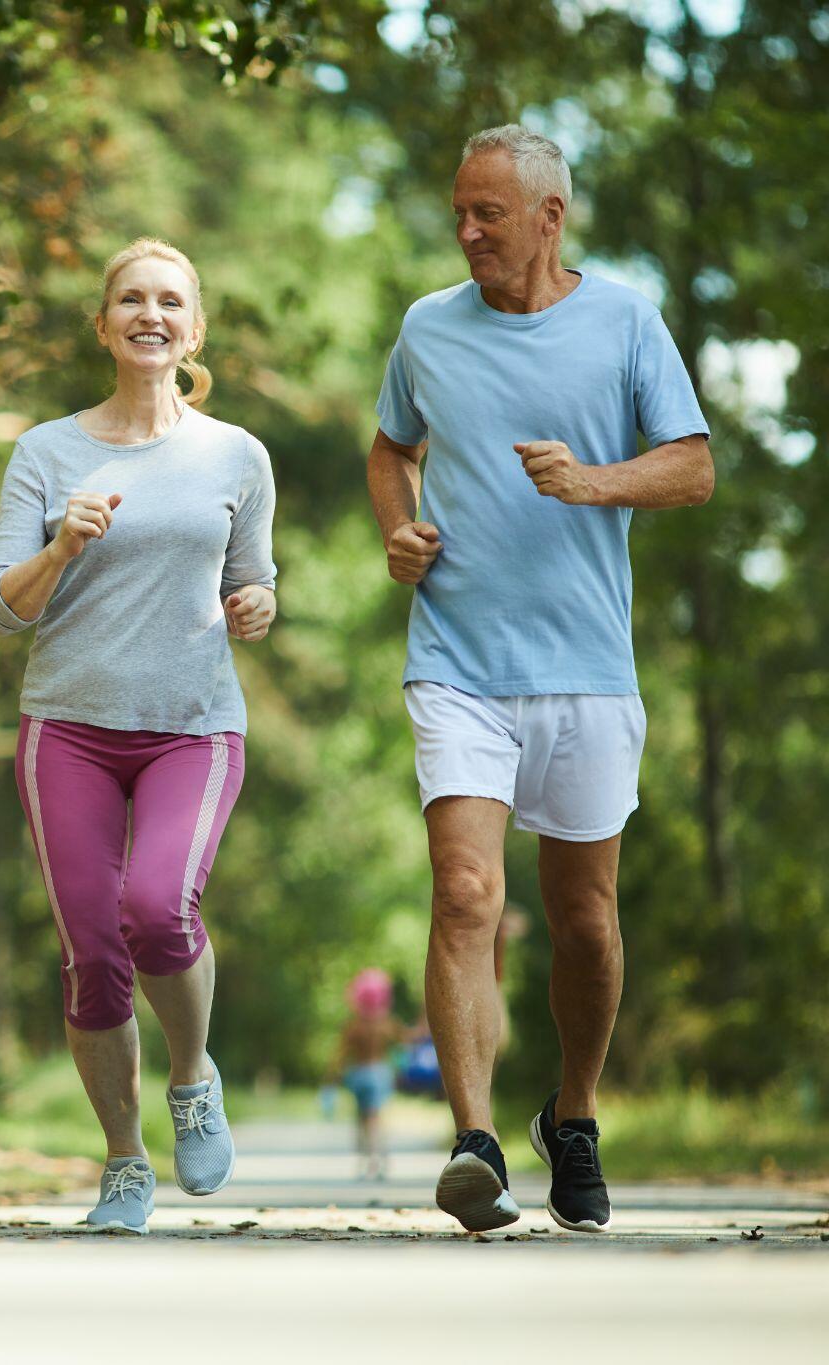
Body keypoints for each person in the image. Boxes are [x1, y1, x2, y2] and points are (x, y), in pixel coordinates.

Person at [366, 126, 713, 1234]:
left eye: (487, 214)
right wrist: (398, 531)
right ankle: (471, 1144)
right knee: (466, 894)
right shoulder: (426, 327)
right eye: (457, 212)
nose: (464, 231)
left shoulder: (622, 321)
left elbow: (693, 467)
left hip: (585, 669)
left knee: (585, 924)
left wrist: (591, 480)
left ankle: (571, 1115)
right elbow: (389, 448)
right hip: (457, 657)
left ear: (549, 217)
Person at [0, 236, 277, 1234]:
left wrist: (254, 606)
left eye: (169, 302)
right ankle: (122, 1161)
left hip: (192, 728)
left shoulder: (236, 454)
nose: (150, 314)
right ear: (102, 324)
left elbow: (250, 576)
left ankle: (190, 1077)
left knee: (156, 908)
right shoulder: (45, 452)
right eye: (131, 299)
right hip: (65, 727)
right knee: (90, 953)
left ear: (192, 329)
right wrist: (61, 545)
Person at [328, 969, 406, 1181]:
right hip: (380, 1073)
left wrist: (331, 1077)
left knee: (362, 1118)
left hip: (359, 1074)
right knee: (376, 1118)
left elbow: (341, 1054)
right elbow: (404, 1042)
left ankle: (365, 1161)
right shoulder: (386, 1024)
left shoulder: (353, 1026)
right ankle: (379, 1159)